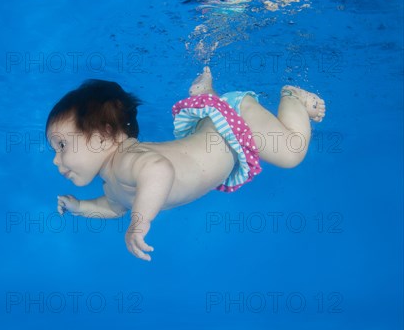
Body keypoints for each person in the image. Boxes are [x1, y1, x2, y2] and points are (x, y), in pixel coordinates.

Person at [46, 67, 326, 261]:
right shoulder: (114, 184)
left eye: (62, 145)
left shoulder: (128, 161)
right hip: (215, 129)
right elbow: (113, 207)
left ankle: (292, 98)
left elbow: (159, 171)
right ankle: (208, 96)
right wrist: (80, 207)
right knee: (210, 138)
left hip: (237, 121)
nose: (56, 159)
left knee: (291, 153)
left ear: (104, 134)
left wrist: (140, 222)